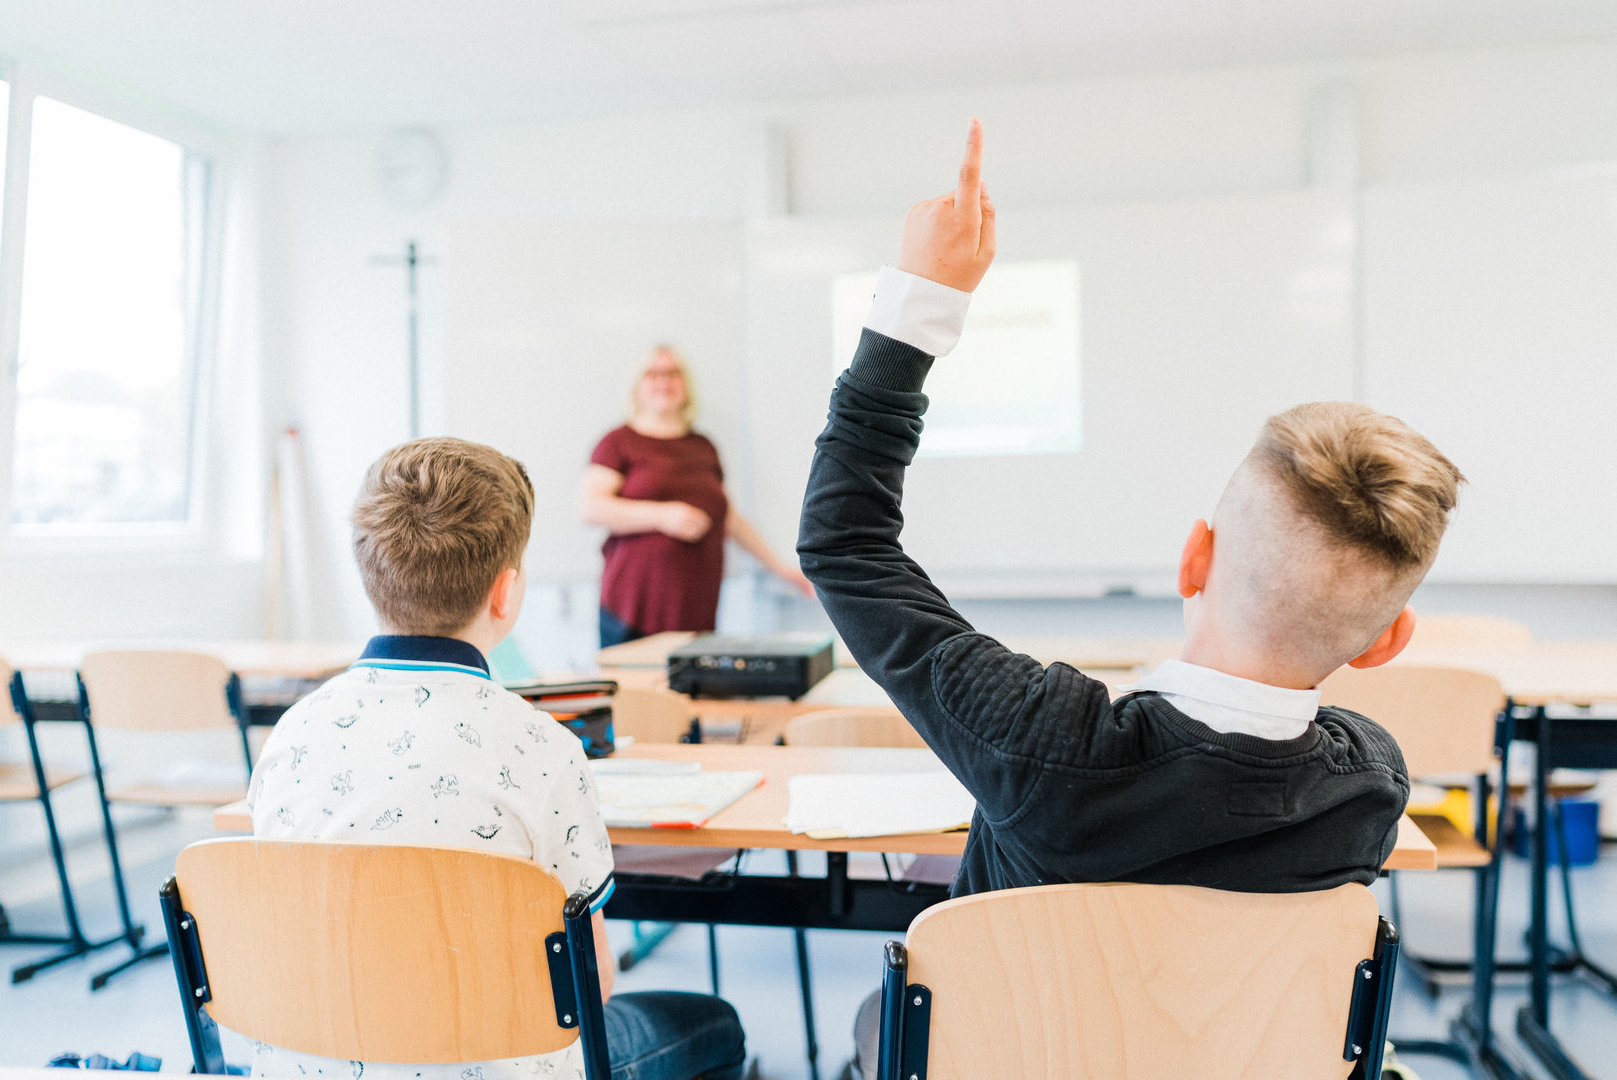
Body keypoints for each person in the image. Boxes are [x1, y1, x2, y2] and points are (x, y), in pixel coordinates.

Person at [796, 121, 1465, 1076]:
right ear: (1386, 641)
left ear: (1195, 555)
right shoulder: (1367, 785)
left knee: (885, 1017)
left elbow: (846, 543)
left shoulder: (1042, 736)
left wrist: (919, 304)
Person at [248, 437, 747, 1080]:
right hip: (495, 1064)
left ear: (369, 574)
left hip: (309, 1060)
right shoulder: (543, 750)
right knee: (712, 1024)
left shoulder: (291, 735)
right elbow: (586, 984)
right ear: (505, 594)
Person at [583, 346, 810, 647]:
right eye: (653, 373)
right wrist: (663, 516)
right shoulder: (619, 442)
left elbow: (730, 520)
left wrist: (782, 569)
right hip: (632, 610)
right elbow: (590, 507)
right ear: (637, 385)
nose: (664, 381)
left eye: (673, 373)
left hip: (695, 609)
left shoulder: (703, 446)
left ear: (685, 385)